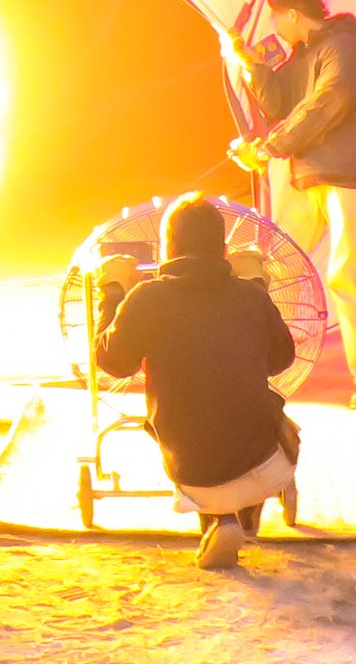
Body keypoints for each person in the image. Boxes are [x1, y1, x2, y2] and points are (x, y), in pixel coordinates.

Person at [93, 195, 298, 571]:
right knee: (260, 412)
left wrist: (113, 291)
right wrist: (257, 286)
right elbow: (281, 359)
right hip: (264, 463)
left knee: (194, 422)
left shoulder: (146, 298)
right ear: (224, 250)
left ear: (167, 250)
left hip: (190, 468)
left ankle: (220, 518)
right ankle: (240, 509)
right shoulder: (250, 296)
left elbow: (113, 362)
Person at [222, 0, 356, 408]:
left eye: (276, 18)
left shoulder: (346, 49)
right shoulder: (302, 57)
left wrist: (270, 148)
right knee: (278, 266)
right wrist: (252, 65)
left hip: (346, 176)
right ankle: (262, 363)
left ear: (293, 14)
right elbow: (280, 104)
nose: (275, 27)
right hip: (307, 176)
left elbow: (326, 104)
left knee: (347, 275)